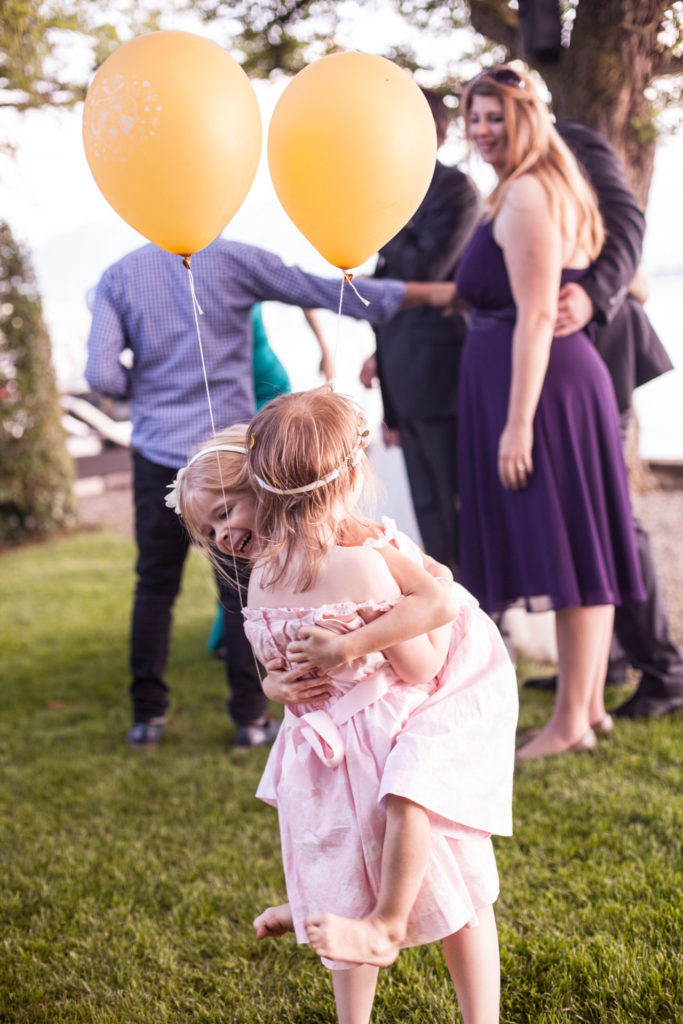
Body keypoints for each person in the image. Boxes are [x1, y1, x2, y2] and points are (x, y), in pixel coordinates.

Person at [175, 387, 517, 1024]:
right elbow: (421, 666)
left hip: (326, 765)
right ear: (353, 475)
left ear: (264, 489)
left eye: (224, 514)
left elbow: (273, 673)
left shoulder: (265, 581)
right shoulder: (364, 564)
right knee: (459, 899)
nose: (222, 535)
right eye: (211, 527)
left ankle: (320, 929)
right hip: (381, 743)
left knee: (340, 876)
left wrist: (290, 682)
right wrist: (373, 631)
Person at [84, 238, 454, 749]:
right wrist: (430, 294)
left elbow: (101, 373)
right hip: (243, 460)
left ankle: (148, 716)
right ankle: (249, 719)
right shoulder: (233, 257)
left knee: (155, 586)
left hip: (157, 449)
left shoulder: (118, 276)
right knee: (243, 590)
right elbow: (319, 287)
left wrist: (153, 383)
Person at [453, 66, 646, 760]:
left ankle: (568, 721)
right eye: (474, 118)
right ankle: (586, 708)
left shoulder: (531, 191)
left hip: (542, 393)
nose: (482, 131)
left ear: (527, 117)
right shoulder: (527, 186)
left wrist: (516, 423)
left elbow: (536, 314)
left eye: (495, 117)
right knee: (576, 546)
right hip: (545, 385)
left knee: (571, 550)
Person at [523, 120, 683, 720]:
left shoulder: (574, 141)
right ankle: (605, 661)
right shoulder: (515, 169)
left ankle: (665, 671)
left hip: (601, 353)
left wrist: (595, 291)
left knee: (615, 518)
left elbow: (625, 229)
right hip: (555, 362)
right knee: (582, 517)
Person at [360, 87, 480, 576]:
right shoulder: (389, 194)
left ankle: (481, 610)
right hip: (402, 380)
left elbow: (427, 270)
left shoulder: (454, 190)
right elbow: (387, 302)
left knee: (457, 505)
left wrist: (386, 219)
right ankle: (446, 607)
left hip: (442, 376)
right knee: (428, 510)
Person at [207, 303, 333, 658]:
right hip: (232, 401)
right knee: (240, 527)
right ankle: (241, 628)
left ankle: (306, 608)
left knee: (281, 505)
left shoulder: (241, 272)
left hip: (268, 391)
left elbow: (305, 295)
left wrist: (325, 349)